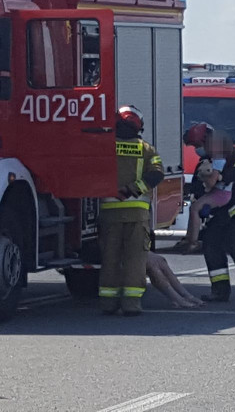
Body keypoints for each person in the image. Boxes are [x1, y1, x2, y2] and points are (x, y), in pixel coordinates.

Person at [99, 106, 164, 316]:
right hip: (137, 213)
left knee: (110, 258)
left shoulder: (104, 147)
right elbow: (156, 176)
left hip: (109, 213)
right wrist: (132, 190)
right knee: (135, 259)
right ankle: (131, 304)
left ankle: (108, 303)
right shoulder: (146, 149)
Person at [183, 122, 235, 302]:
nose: (197, 150)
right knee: (210, 244)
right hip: (220, 213)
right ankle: (220, 290)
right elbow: (197, 186)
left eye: (197, 146)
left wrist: (219, 178)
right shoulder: (206, 160)